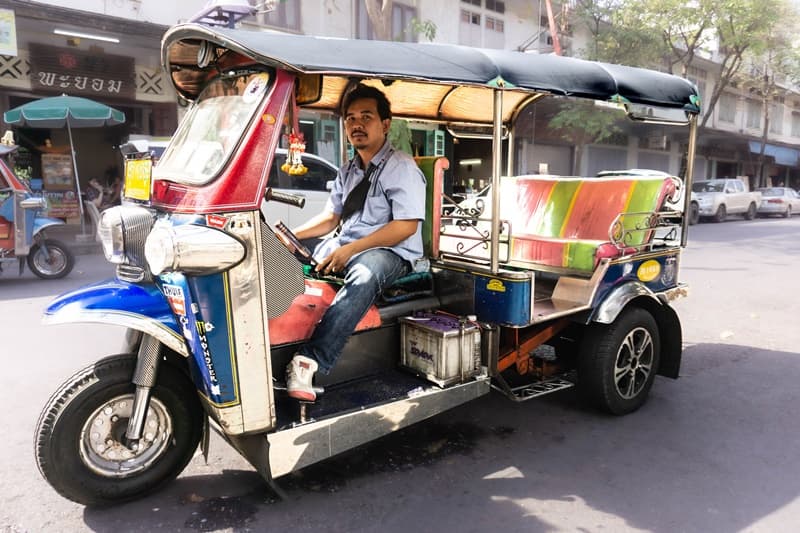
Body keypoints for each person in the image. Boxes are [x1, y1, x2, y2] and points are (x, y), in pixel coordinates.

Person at [284, 83, 427, 401]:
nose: (356, 125)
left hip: (390, 253)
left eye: (366, 117)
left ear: (385, 124)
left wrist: (350, 249)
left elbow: (406, 226)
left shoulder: (401, 167)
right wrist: (292, 236)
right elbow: (331, 218)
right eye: (350, 118)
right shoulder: (348, 170)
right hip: (347, 247)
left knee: (364, 273)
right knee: (287, 258)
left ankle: (310, 359)